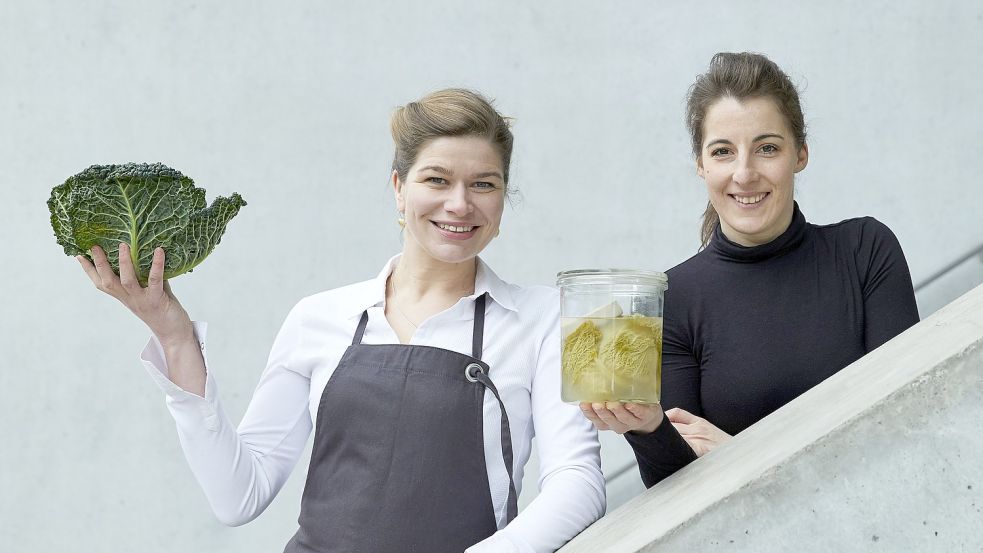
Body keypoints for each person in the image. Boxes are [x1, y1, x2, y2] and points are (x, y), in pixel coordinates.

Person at [78, 88, 605, 552]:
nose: (460, 204)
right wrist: (173, 336)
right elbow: (238, 496)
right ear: (399, 187)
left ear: (503, 198)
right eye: (437, 179)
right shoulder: (318, 317)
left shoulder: (549, 320)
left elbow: (578, 482)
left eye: (484, 185)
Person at [579, 52, 920, 487]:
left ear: (800, 154)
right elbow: (677, 490)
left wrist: (742, 457)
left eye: (767, 148)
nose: (744, 173)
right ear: (701, 165)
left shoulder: (864, 251)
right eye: (723, 152)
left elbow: (906, 416)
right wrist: (646, 428)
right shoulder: (671, 299)